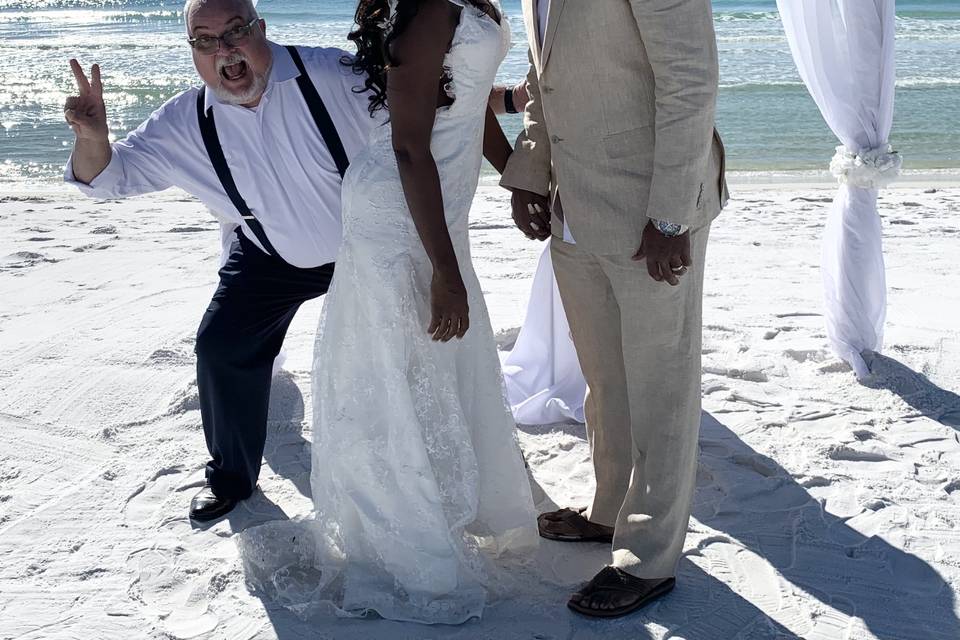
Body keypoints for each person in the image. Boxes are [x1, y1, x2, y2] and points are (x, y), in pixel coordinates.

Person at [238, 0, 538, 625]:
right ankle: (405, 536)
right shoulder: (430, 9)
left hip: (436, 203)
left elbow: (467, 95)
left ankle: (449, 500)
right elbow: (407, 145)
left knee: (436, 359)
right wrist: (447, 271)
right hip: (398, 210)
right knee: (395, 369)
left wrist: (516, 176)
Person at [63, 0, 381, 522]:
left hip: (363, 249)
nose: (225, 49)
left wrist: (506, 103)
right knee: (221, 347)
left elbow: (427, 109)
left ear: (262, 29)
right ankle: (233, 477)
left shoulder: (332, 74)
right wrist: (94, 139)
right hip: (268, 257)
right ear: (193, 51)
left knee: (395, 356)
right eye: (206, 40)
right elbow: (107, 179)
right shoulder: (183, 121)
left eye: (236, 31)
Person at [500, 0, 728, 618]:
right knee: (605, 377)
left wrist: (671, 215)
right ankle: (609, 511)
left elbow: (691, 81)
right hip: (574, 207)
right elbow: (544, 79)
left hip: (651, 210)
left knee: (661, 385)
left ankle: (648, 558)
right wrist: (529, 170)